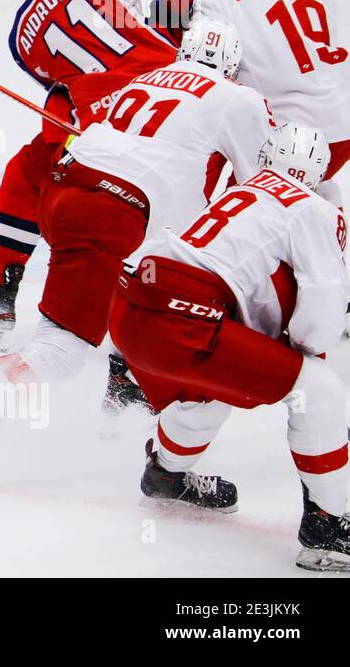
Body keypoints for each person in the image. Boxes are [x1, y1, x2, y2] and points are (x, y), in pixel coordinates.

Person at [0, 18, 275, 482]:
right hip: (110, 209)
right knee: (59, 352)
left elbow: (168, 189)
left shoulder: (146, 81)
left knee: (146, 285)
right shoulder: (235, 97)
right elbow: (261, 189)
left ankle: (128, 392)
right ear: (230, 63)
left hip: (70, 191)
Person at [0, 0, 200, 408]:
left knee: (28, 175)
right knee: (169, 218)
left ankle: (1, 300)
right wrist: (171, 36)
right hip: (176, 99)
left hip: (103, 125)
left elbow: (66, 84)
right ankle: (140, 358)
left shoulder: (22, 34)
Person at [109, 124, 350, 572]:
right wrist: (299, 359)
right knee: (320, 390)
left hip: (131, 307)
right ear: (317, 173)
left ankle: (166, 474)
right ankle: (332, 530)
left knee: (215, 387)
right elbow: (322, 316)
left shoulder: (240, 190)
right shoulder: (315, 208)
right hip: (184, 319)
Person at [196, 0, 350, 180]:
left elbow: (205, 50)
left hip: (280, 137)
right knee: (314, 188)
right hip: (341, 123)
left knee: (250, 214)